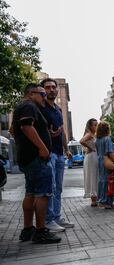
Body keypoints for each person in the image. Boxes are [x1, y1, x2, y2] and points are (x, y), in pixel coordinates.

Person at [11, 83, 61, 244]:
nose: (44, 97)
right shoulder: (29, 106)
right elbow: (26, 127)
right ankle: (40, 231)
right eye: (42, 94)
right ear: (31, 94)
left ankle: (27, 230)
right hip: (37, 158)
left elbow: (14, 130)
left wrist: (47, 134)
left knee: (31, 192)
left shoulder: (22, 107)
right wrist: (42, 148)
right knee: (43, 194)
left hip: (27, 158)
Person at [40, 78, 74, 233]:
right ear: (43, 90)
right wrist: (50, 134)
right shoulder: (41, 108)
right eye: (48, 87)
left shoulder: (58, 110)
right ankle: (49, 220)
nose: (52, 90)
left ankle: (57, 217)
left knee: (58, 188)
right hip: (49, 152)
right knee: (51, 187)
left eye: (54, 87)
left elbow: (62, 131)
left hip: (60, 153)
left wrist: (66, 149)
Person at [96, 121, 114, 209]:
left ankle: (103, 200)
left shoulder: (98, 140)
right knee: (109, 180)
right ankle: (106, 201)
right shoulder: (107, 139)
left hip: (101, 161)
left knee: (102, 180)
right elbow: (110, 152)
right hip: (108, 161)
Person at [80, 118, 98, 206]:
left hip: (93, 157)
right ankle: (93, 199)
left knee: (94, 176)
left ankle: (95, 198)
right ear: (90, 126)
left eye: (97, 124)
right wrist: (90, 148)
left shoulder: (94, 135)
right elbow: (81, 141)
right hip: (91, 157)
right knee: (92, 176)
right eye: (94, 125)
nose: (96, 126)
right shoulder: (89, 134)